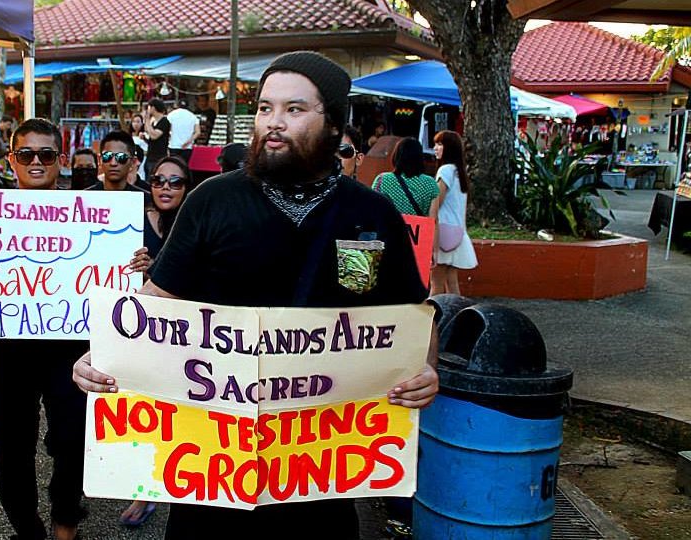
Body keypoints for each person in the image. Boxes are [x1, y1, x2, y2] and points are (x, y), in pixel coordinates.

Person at [73, 51, 438, 540]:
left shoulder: (373, 214)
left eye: (294, 109)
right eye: (265, 108)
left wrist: (427, 372)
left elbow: (414, 317)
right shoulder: (211, 201)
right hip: (212, 471)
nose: (274, 123)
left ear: (332, 124)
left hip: (320, 473)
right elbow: (155, 302)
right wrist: (102, 356)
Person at [0, 118, 150, 540]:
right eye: (26, 154)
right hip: (10, 351)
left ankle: (65, 522)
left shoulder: (89, 214)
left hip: (72, 350)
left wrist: (137, 266)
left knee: (73, 441)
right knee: (12, 448)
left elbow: (119, 270)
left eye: (45, 154)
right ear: (11, 160)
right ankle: (27, 528)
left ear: (60, 159)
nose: (35, 162)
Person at [119, 154, 194, 528]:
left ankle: (169, 486)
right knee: (142, 415)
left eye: (175, 181)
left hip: (185, 339)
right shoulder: (133, 222)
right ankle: (143, 490)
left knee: (177, 416)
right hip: (140, 331)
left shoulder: (197, 223)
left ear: (187, 187)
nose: (165, 187)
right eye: (159, 180)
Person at [431, 130, 477, 295]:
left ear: (449, 148)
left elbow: (436, 202)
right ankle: (456, 317)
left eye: (439, 144)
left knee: (436, 283)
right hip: (457, 233)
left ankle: (431, 320)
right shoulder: (459, 172)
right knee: (452, 282)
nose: (435, 148)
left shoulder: (445, 171)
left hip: (441, 233)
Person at [371, 137, 439, 219]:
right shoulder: (431, 184)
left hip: (389, 230)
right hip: (417, 231)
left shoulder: (382, 180)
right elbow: (433, 221)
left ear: (397, 156)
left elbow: (373, 210)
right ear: (420, 158)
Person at [85, 130, 148, 195]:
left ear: (132, 162)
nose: (113, 163)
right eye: (107, 156)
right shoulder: (85, 198)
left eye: (121, 157)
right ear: (99, 160)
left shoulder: (145, 200)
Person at [166, 99, 200, 164]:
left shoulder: (171, 115)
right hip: (187, 147)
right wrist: (189, 141)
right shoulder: (193, 116)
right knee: (184, 166)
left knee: (174, 165)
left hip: (174, 145)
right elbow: (198, 132)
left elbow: (167, 129)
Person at [143, 98, 171, 178]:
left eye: (149, 107)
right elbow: (148, 133)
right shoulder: (153, 121)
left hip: (158, 156)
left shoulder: (164, 121)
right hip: (150, 155)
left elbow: (154, 135)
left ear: (153, 108)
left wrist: (147, 120)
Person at [129, 113, 148, 180]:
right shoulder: (129, 136)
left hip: (143, 162)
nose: (136, 124)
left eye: (138, 122)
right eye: (134, 122)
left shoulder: (146, 135)